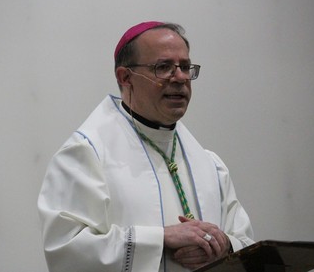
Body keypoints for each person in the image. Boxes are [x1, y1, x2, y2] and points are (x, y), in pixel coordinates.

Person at [38, 21, 254, 272]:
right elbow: (66, 252)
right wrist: (160, 239)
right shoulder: (86, 155)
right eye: (163, 67)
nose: (181, 78)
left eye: (185, 67)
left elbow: (246, 241)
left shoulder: (208, 164)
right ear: (125, 77)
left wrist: (225, 245)